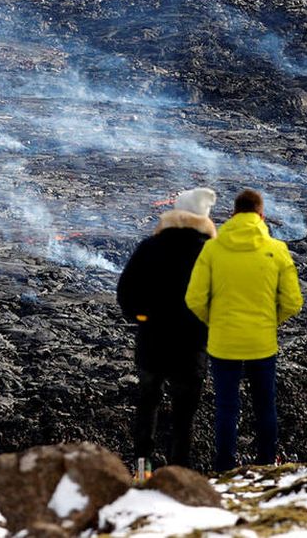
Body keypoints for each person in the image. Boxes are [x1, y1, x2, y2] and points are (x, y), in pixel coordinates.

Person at [185, 188, 303, 471]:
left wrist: (215, 322)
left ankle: (224, 467)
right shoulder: (277, 250)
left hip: (223, 343)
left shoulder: (212, 249)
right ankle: (266, 466)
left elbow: (194, 299)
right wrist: (269, 321)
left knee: (227, 407)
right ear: (262, 216)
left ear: (233, 214)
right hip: (261, 343)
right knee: (265, 406)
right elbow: (293, 302)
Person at [116, 187, 217, 475]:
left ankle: (141, 469)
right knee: (184, 416)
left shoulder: (150, 247)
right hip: (192, 344)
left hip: (153, 343)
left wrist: (142, 317)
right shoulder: (210, 253)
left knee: (148, 406)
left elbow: (126, 293)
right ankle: (179, 474)